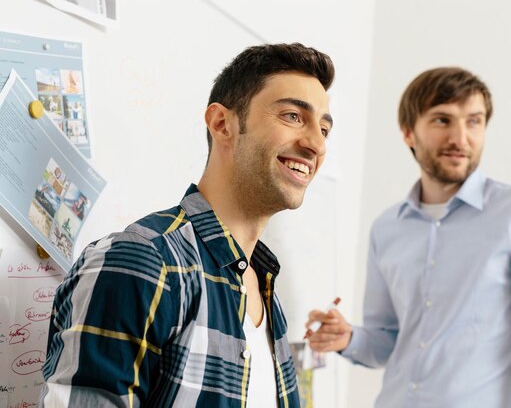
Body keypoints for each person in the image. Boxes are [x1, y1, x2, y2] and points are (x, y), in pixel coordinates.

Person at [39, 42, 335, 408]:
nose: (315, 144)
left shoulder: (267, 291)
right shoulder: (141, 261)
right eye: (292, 116)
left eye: (324, 128)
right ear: (222, 123)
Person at [306, 67, 511, 408]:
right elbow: (387, 341)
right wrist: (349, 337)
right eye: (442, 120)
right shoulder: (387, 228)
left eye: (474, 121)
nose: (461, 138)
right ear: (408, 132)